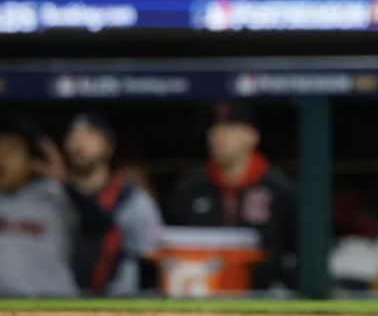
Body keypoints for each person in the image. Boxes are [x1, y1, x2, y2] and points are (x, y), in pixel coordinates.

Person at [168, 102, 297, 290]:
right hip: (199, 293)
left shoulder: (279, 190)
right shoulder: (189, 189)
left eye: (230, 128)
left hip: (264, 297)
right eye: (214, 128)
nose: (218, 136)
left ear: (252, 136)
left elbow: (298, 249)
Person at [63, 112, 163, 296]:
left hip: (117, 301)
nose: (79, 143)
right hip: (58, 301)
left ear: (109, 146)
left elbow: (155, 263)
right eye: (73, 136)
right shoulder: (54, 199)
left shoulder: (134, 202)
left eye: (90, 135)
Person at [0, 117, 79, 297]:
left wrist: (63, 179)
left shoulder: (53, 194)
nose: (2, 159)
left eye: (11, 151)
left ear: (31, 160)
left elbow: (98, 219)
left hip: (55, 304)